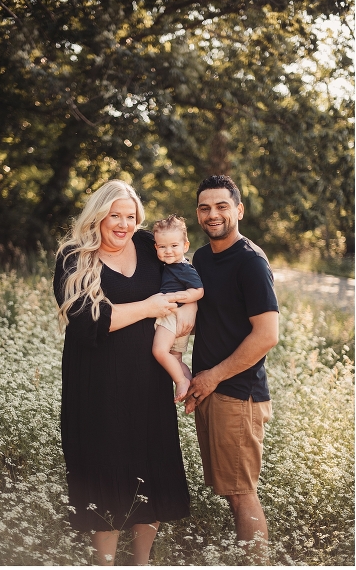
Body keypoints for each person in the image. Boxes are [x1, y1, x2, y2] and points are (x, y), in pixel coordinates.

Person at [53, 180, 190, 565]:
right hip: (96, 385)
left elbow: (184, 280)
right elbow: (85, 321)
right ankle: (106, 562)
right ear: (98, 216)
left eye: (130, 217)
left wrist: (177, 350)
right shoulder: (74, 257)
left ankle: (142, 561)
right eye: (115, 215)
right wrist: (148, 307)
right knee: (105, 472)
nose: (123, 224)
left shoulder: (149, 245)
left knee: (152, 468)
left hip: (148, 382)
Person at [182, 175, 279, 559]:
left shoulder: (251, 262)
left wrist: (212, 376)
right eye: (205, 207)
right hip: (210, 392)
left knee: (242, 495)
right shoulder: (203, 258)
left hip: (238, 396)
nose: (213, 214)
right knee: (231, 491)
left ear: (238, 210)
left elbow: (267, 335)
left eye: (222, 206)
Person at [152, 215, 204, 402]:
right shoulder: (170, 266)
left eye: (174, 246)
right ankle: (190, 386)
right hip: (175, 318)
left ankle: (181, 381)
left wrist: (175, 298)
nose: (168, 251)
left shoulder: (184, 268)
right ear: (156, 247)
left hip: (173, 316)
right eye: (162, 246)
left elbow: (198, 291)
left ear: (185, 246)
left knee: (159, 351)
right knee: (176, 359)